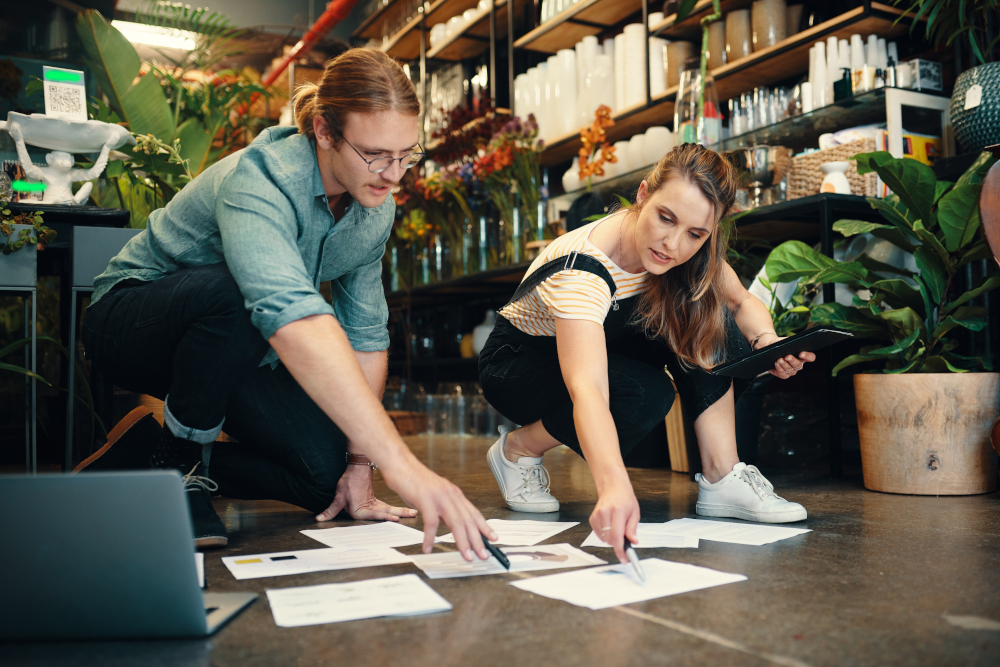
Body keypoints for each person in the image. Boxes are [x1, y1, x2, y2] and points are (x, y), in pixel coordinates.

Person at [77, 48, 497, 561]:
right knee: (234, 292)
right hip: (130, 322)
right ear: (324, 131)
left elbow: (365, 336)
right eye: (375, 155)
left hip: (233, 349)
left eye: (407, 155)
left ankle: (148, 454)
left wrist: (363, 464)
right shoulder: (261, 177)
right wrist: (405, 466)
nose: (393, 175)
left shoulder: (372, 210)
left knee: (326, 478)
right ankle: (180, 467)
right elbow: (289, 313)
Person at [479, 144, 815, 565]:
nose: (672, 244)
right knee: (645, 394)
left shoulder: (691, 255)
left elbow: (741, 303)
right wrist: (613, 485)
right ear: (642, 196)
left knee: (705, 310)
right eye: (665, 218)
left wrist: (767, 341)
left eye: (695, 234)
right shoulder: (583, 270)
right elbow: (589, 390)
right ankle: (518, 448)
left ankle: (722, 474)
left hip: (607, 347)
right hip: (519, 365)